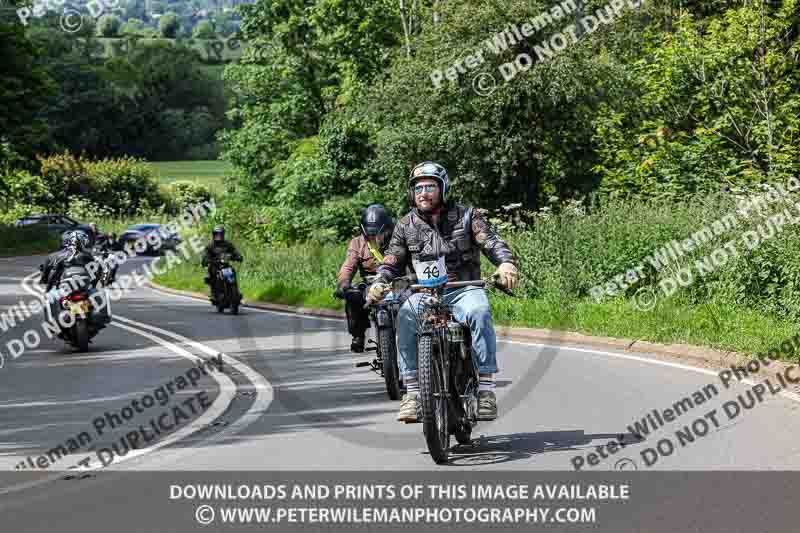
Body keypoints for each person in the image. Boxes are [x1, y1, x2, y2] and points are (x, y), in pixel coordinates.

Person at [366, 161, 519, 423]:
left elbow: (492, 242)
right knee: (404, 316)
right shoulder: (405, 225)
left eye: (430, 187)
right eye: (418, 188)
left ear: (443, 189)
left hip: (463, 288)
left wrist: (505, 263)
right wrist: (380, 281)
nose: (423, 193)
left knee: (480, 311)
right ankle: (413, 394)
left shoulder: (468, 216)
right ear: (412, 193)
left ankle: (486, 390)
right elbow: (391, 260)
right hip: (423, 292)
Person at [334, 204, 395, 353]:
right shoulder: (357, 242)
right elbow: (348, 266)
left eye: (378, 233)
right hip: (369, 283)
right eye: (370, 234)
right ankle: (358, 335)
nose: (374, 237)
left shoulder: (397, 238)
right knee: (353, 296)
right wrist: (344, 284)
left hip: (394, 282)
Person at [201, 225, 242, 305]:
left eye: (220, 234)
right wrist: (205, 260)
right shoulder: (210, 245)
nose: (219, 236)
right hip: (215, 265)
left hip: (225, 265)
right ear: (214, 235)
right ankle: (214, 294)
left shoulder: (227, 244)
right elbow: (205, 255)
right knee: (212, 271)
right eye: (217, 234)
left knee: (232, 272)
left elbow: (234, 251)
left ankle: (236, 292)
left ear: (223, 234)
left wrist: (238, 256)